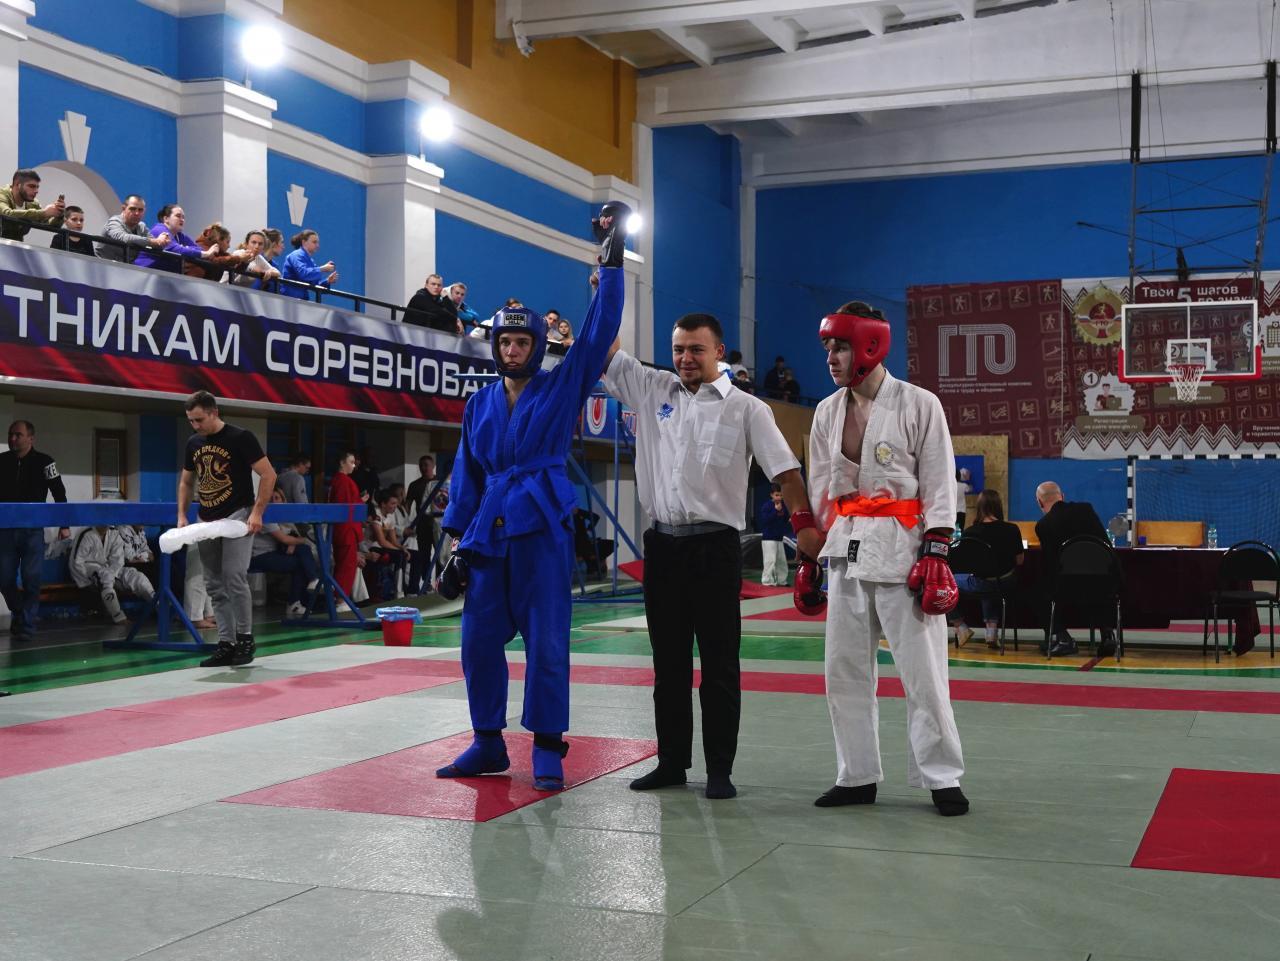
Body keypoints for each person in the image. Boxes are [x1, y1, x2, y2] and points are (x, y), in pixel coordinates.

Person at [438, 202, 630, 793]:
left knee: (547, 641)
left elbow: (596, 334)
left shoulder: (562, 385)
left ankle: (547, 744)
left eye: (523, 342)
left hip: (543, 527)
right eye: (506, 341)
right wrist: (454, 541)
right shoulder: (478, 404)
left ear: (537, 345)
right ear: (495, 345)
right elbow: (467, 474)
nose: (513, 350)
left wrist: (612, 265)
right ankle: (487, 742)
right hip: (488, 535)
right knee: (477, 642)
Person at [602, 313, 823, 801]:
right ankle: (671, 763)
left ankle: (720, 769)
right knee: (668, 665)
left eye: (696, 349)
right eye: (679, 349)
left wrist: (805, 528)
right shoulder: (652, 389)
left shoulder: (747, 409)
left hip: (714, 549)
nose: (685, 358)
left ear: (719, 353)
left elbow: (786, 473)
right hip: (662, 546)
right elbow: (604, 349)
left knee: (720, 664)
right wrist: (607, 288)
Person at [805, 301, 969, 817]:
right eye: (828, 347)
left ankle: (942, 777)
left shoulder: (918, 404)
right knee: (844, 671)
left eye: (841, 346)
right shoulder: (826, 412)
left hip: (904, 551)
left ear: (870, 345)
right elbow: (821, 490)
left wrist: (937, 548)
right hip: (845, 549)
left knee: (924, 674)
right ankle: (856, 776)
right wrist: (811, 557)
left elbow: (940, 480)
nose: (831, 357)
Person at [177, 391, 276, 667]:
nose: (195, 425)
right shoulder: (194, 442)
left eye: (199, 420)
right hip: (206, 519)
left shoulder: (240, 437)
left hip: (237, 516)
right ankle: (226, 642)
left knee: (234, 576)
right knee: (213, 583)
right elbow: (186, 481)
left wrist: (257, 512)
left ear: (214, 412)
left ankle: (245, 638)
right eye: (191, 420)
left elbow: (268, 474)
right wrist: (182, 515)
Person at [0, 420, 69, 641]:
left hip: (32, 531)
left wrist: (64, 524)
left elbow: (59, 492)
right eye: (10, 434)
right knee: (3, 578)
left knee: (31, 578)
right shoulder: (1, 461)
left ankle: (27, 626)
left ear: (31, 438)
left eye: (18, 435)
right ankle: (21, 613)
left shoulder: (46, 462)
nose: (12, 438)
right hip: (5, 530)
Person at [1034, 480, 1112, 657]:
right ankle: (1108, 634)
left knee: (1038, 593)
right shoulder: (1086, 509)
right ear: (1062, 497)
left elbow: (1050, 565)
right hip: (1104, 581)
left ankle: (1063, 639)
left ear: (1039, 502)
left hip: (1068, 587)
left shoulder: (1044, 526)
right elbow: (1105, 543)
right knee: (1098, 588)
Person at [949, 489, 1023, 649]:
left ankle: (960, 626)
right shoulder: (1012, 529)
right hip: (1007, 583)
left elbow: (965, 564)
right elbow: (1020, 560)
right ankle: (991, 632)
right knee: (991, 577)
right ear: (998, 506)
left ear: (979, 507)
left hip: (982, 583)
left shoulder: (970, 532)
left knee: (946, 581)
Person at [249, 488, 320, 618]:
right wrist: (303, 540)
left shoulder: (283, 518)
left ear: (283, 500)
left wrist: (294, 542)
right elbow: (284, 539)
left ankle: (311, 585)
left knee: (303, 553)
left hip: (273, 552)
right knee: (300, 562)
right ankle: (301, 595)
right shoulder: (265, 514)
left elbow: (290, 537)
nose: (274, 502)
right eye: (271, 499)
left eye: (277, 498)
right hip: (258, 556)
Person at [69, 525, 155, 624]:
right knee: (105, 576)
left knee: (136, 576)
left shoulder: (114, 533)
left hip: (109, 570)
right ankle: (118, 616)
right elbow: (76, 562)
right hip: (88, 571)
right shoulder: (86, 533)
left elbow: (118, 560)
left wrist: (112, 575)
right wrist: (86, 584)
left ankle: (160, 606)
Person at [328, 450, 363, 611]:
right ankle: (341, 600)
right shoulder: (343, 481)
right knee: (346, 566)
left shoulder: (338, 481)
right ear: (342, 463)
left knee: (344, 564)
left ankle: (341, 598)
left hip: (342, 528)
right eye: (351, 462)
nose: (354, 466)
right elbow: (346, 508)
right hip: (346, 529)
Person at [133, 205, 217, 272]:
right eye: (178, 216)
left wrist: (185, 248)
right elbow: (174, 249)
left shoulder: (180, 235)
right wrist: (206, 254)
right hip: (143, 273)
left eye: (183, 217)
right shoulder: (159, 229)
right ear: (166, 219)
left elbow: (198, 248)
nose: (182, 220)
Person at [97, 195, 169, 263]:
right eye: (132, 209)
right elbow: (124, 238)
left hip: (125, 268)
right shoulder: (114, 221)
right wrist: (155, 241)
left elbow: (156, 244)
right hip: (102, 266)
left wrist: (163, 240)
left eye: (140, 210)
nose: (137, 213)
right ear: (123, 209)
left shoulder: (142, 226)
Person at [405, 454, 440, 594]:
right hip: (422, 525)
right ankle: (427, 584)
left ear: (433, 466)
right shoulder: (414, 485)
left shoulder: (440, 482)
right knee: (424, 555)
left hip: (438, 524)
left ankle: (441, 582)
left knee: (440, 554)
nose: (424, 468)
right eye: (421, 465)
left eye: (426, 465)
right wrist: (407, 524)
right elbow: (408, 506)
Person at [365, 489, 407, 601]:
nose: (395, 507)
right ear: (383, 504)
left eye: (396, 504)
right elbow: (381, 541)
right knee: (400, 555)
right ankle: (397, 592)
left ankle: (408, 590)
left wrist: (402, 548)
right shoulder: (376, 515)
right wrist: (399, 551)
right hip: (371, 547)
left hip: (383, 547)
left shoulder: (390, 516)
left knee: (413, 555)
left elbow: (393, 540)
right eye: (392, 504)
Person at [0, 168, 63, 241]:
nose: (36, 191)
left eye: (37, 187)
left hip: (13, 245)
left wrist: (59, 215)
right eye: (32, 186)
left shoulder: (33, 204)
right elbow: (6, 214)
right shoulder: (2, 194)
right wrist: (44, 213)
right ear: (18, 185)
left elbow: (49, 224)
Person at [280, 229, 338, 299]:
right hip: (289, 298)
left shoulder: (310, 261)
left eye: (318, 243)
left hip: (299, 300)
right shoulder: (296, 255)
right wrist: (322, 269)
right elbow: (303, 274)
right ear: (304, 242)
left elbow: (316, 284)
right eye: (314, 242)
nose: (317, 246)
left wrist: (328, 281)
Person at [757, 484, 791, 587]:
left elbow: (785, 518)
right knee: (770, 561)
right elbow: (764, 521)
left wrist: (789, 519)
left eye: (781, 495)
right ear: (771, 495)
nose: (779, 497)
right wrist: (775, 510)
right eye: (777, 495)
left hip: (779, 538)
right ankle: (767, 581)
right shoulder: (767, 506)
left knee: (781, 561)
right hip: (768, 538)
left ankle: (782, 581)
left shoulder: (783, 506)